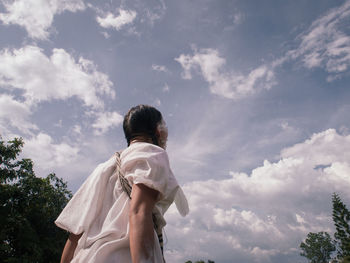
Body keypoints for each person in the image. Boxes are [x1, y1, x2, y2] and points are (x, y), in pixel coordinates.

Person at [55, 105, 189, 263]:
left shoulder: (103, 168)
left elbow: (75, 234)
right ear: (157, 131)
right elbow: (139, 212)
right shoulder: (152, 153)